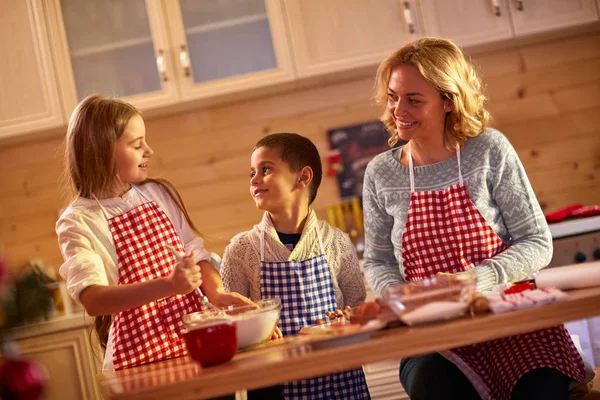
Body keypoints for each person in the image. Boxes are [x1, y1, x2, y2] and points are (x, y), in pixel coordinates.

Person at [362, 37, 586, 400]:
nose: (397, 110)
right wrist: (402, 297)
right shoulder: (381, 173)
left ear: (448, 101)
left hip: (509, 319)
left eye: (413, 100)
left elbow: (536, 242)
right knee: (433, 384)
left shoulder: (488, 150)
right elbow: (378, 259)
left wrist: (478, 279)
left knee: (540, 388)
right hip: (433, 333)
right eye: (392, 96)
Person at [56, 94, 250, 372]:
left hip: (194, 344)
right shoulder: (78, 221)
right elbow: (94, 300)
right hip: (138, 363)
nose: (149, 151)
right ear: (104, 151)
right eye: (137, 145)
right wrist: (169, 286)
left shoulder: (158, 194)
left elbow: (195, 253)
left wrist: (217, 294)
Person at [220, 133, 371, 399]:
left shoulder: (336, 242)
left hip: (340, 381)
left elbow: (357, 309)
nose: (254, 179)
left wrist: (346, 319)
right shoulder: (240, 250)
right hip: (273, 385)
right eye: (252, 172)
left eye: (265, 169)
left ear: (303, 177)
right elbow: (230, 322)